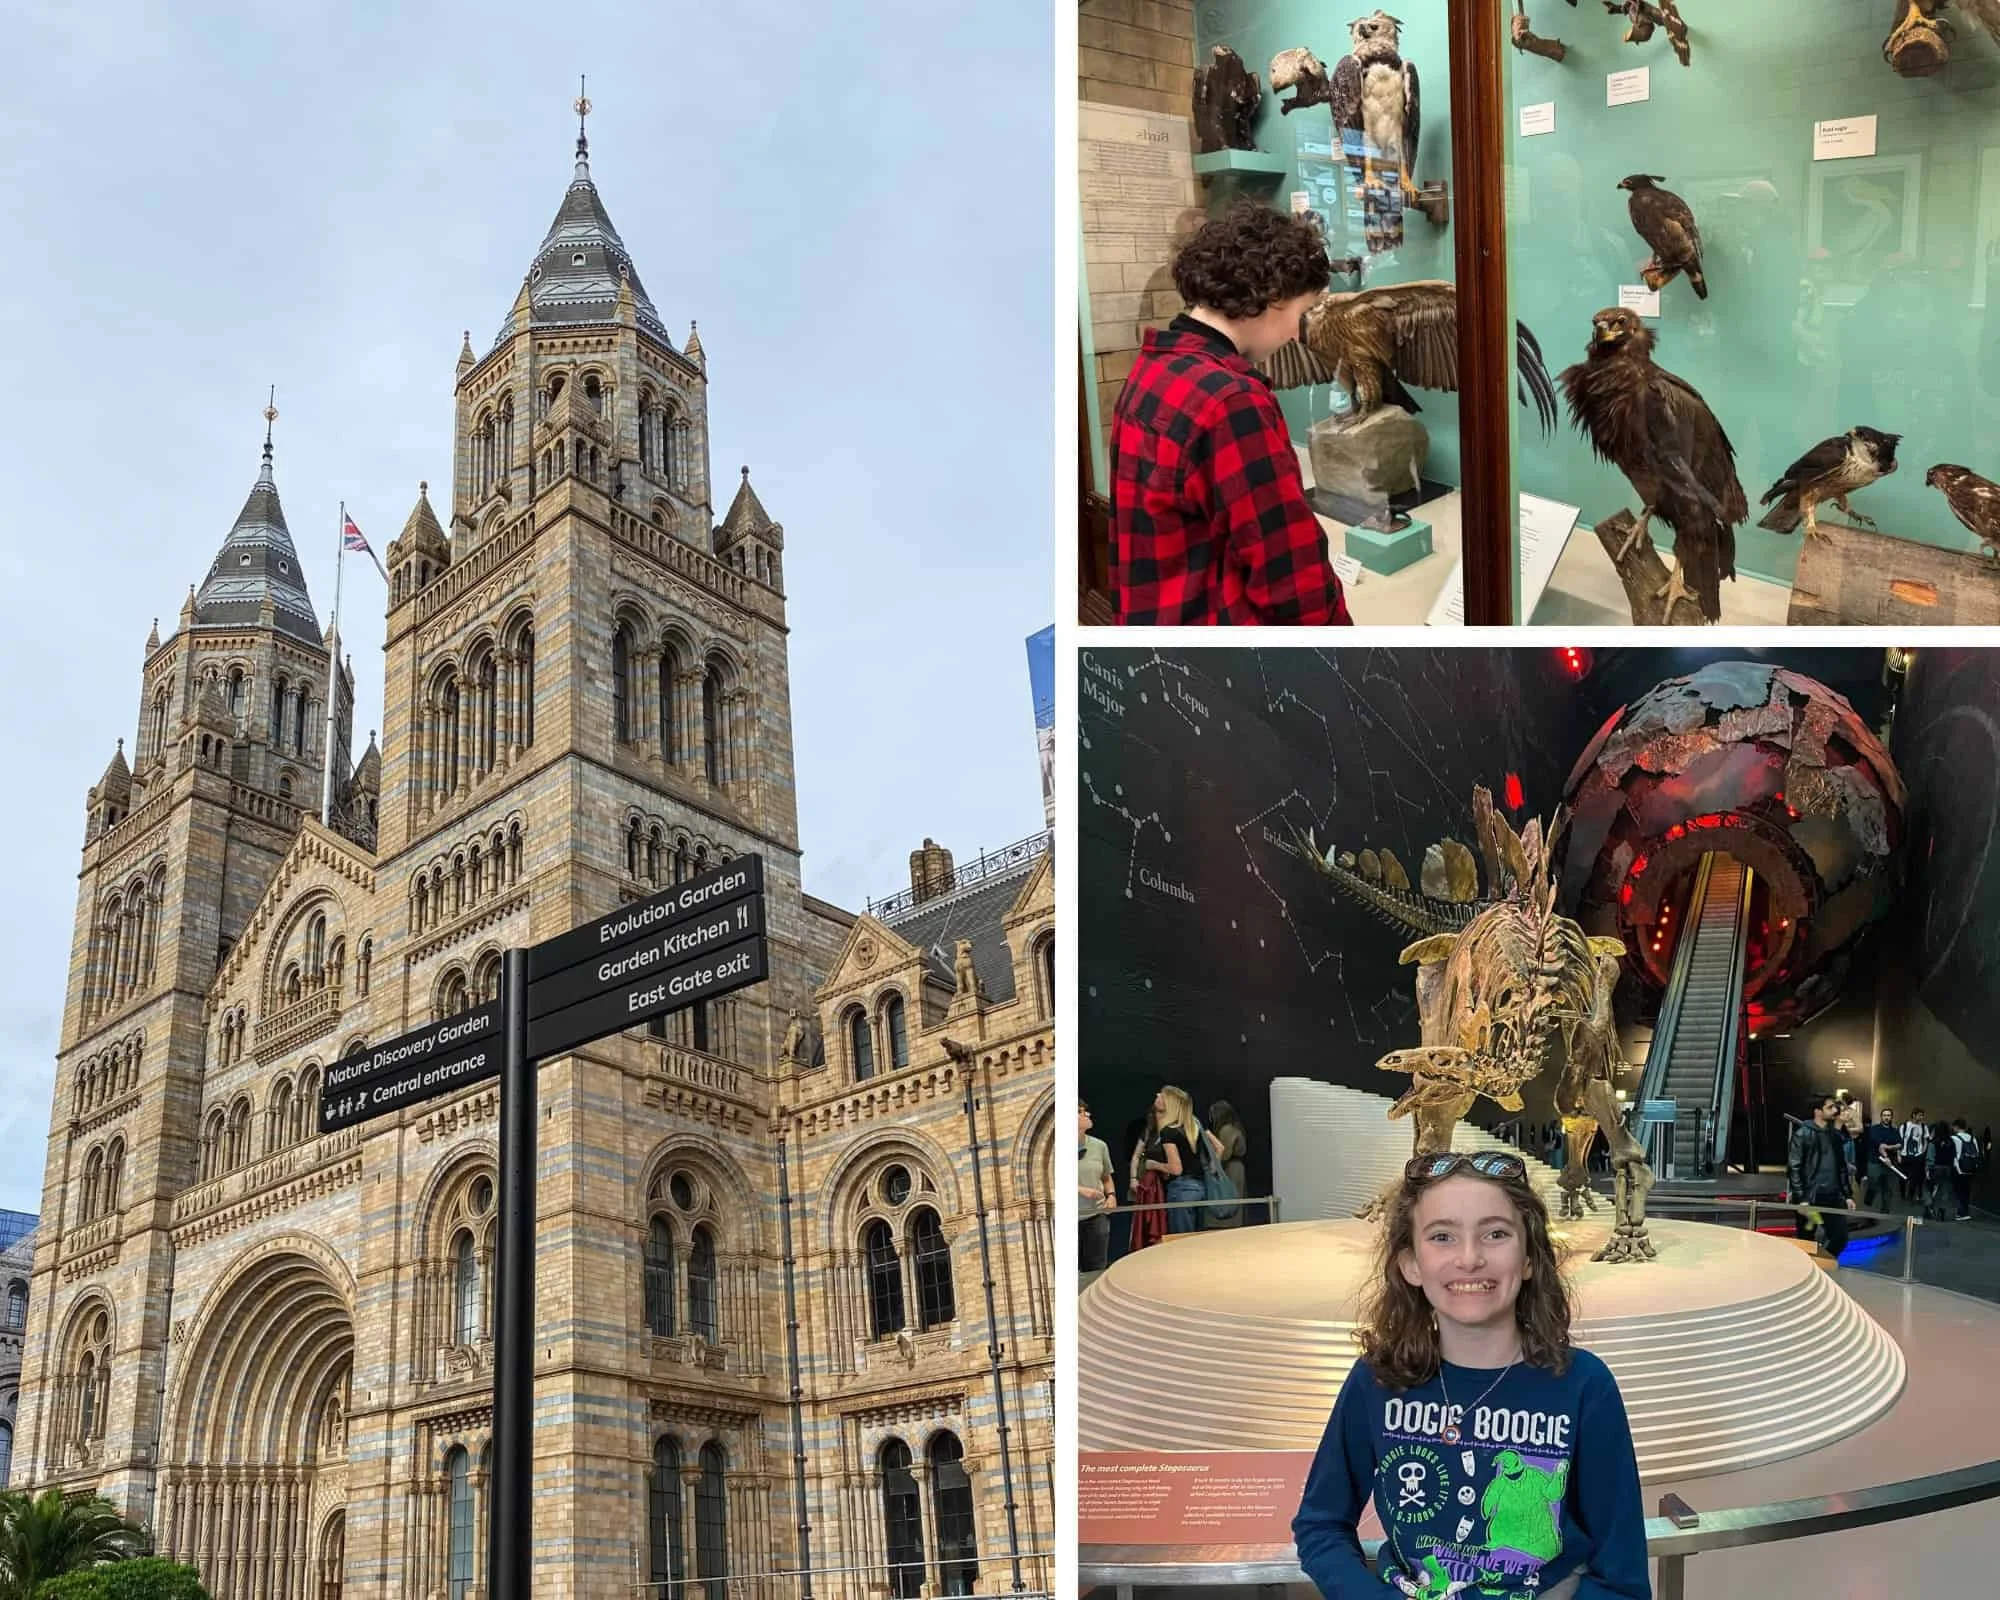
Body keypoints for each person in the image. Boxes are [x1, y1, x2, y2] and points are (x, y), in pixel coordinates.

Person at [1292, 1150, 1649, 1600]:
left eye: (1495, 1234)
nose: (1469, 1258)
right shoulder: (1377, 1380)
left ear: (1529, 1259)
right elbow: (1320, 1524)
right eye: (1442, 1236)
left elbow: (1622, 1579)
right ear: (1411, 1264)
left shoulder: (1584, 1386)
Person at [1109, 202, 1351, 627]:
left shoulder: (1153, 367)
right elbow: (1289, 573)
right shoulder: (1231, 401)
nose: (1298, 333)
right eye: (1302, 313)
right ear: (1273, 295)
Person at [1133, 1086, 1210, 1235]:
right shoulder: (1193, 1128)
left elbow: (1176, 1169)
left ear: (1170, 1104)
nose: (1157, 1095)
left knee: (1180, 1242)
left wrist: (1153, 1164)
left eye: (1162, 1096)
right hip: (1200, 1188)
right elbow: (1218, 1149)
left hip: (1181, 1191)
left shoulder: (1168, 1131)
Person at [1788, 1094, 1854, 1259]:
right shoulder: (1802, 1133)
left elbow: (1841, 1168)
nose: (1835, 1110)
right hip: (1811, 1197)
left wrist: (1847, 1195)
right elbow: (1794, 1167)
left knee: (1840, 1237)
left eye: (1834, 1107)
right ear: (1818, 1111)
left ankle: (1822, 1263)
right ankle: (1811, 1269)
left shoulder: (1834, 1135)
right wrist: (1801, 1198)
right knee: (1806, 1239)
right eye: (1830, 1107)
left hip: (1832, 1196)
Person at [1077, 1102, 1117, 1277]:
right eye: (1081, 1112)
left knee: (1096, 1269)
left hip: (1097, 1215)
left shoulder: (1099, 1146)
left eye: (1086, 1111)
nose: (1087, 1115)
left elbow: (1106, 1176)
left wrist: (1111, 1195)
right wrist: (1079, 1189)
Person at [1207, 1099, 1249, 1227]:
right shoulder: (1236, 1127)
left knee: (1229, 1200)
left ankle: (1226, 1227)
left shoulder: (1227, 1130)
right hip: (1235, 1168)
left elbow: (1224, 1155)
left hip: (1230, 1169)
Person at [1860, 1105, 1902, 1213]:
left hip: (1889, 1164)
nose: (1886, 1117)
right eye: (1884, 1115)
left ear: (1891, 1117)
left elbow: (1900, 1144)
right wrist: (1887, 1152)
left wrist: (1889, 1147)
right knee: (1873, 1183)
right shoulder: (1874, 1129)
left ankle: (1885, 1209)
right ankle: (1869, 1198)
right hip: (1875, 1161)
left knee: (1887, 1188)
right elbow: (1880, 1146)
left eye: (1888, 1115)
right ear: (1881, 1117)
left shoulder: (1894, 1130)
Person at [1925, 1117, 1958, 1221]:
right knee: (1944, 1190)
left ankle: (1929, 1206)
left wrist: (1928, 1170)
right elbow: (1954, 1155)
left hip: (1936, 1168)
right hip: (1948, 1168)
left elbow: (1930, 1158)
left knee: (1927, 1187)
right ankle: (1941, 1212)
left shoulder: (1933, 1142)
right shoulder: (1951, 1142)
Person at [1898, 1106, 1931, 1203]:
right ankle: (1902, 1194)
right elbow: (1899, 1141)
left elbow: (1925, 1141)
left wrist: (1923, 1152)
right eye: (1920, 1115)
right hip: (1904, 1155)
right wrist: (1899, 1154)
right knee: (1902, 1178)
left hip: (1917, 1157)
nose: (1921, 1117)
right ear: (1914, 1115)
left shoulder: (1924, 1127)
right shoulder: (1904, 1126)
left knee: (1914, 1177)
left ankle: (1910, 1197)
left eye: (1922, 1116)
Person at [1951, 1117, 1981, 1222]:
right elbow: (1977, 1153)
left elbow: (1953, 1155)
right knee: (1967, 1191)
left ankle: (1960, 1213)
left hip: (1959, 1169)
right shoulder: (1973, 1138)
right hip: (1971, 1169)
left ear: (1956, 1127)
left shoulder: (1954, 1138)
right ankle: (1966, 1212)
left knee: (1959, 1191)